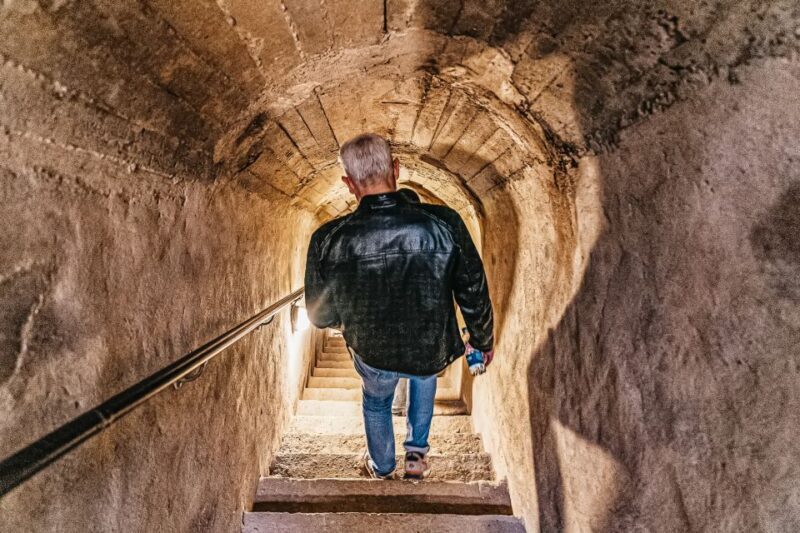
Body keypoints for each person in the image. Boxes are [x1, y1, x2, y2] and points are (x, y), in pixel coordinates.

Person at [304, 133, 494, 480]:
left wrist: (351, 318)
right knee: (424, 384)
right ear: (395, 168)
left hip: (372, 349)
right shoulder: (446, 223)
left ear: (349, 184)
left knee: (377, 402)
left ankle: (382, 466)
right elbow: (472, 289)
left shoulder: (327, 239)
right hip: (430, 343)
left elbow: (320, 316)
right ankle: (416, 460)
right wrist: (482, 340)